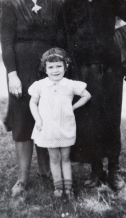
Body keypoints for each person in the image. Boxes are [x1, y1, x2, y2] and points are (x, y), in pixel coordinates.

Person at [58, 0, 126, 190]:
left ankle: (114, 171)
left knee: (110, 118)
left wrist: (121, 42)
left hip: (110, 70)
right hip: (81, 72)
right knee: (88, 120)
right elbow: (63, 37)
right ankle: (96, 171)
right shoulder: (68, 5)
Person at [0, 0, 62, 197]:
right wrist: (12, 74)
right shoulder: (11, 4)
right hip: (22, 72)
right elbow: (7, 42)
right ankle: (22, 179)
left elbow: (61, 40)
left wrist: (58, 73)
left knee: (47, 118)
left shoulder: (55, 4)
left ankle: (47, 173)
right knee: (23, 120)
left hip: (49, 71)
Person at [28, 47, 91, 199]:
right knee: (54, 157)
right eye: (51, 67)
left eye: (58, 66)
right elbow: (32, 103)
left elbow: (86, 95)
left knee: (66, 157)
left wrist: (73, 107)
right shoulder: (40, 85)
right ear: (45, 69)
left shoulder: (69, 84)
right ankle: (58, 188)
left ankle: (68, 189)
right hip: (49, 128)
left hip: (65, 126)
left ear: (65, 67)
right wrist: (38, 119)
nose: (55, 70)